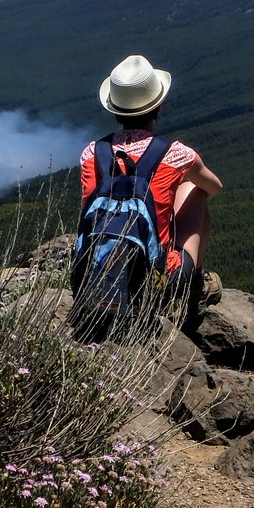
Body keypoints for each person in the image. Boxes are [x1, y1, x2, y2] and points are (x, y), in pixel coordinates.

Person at [79, 54, 224, 326]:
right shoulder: (176, 154)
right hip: (153, 284)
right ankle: (194, 288)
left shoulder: (91, 154)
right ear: (158, 108)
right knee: (195, 189)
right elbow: (215, 186)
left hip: (92, 277)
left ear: (115, 111)